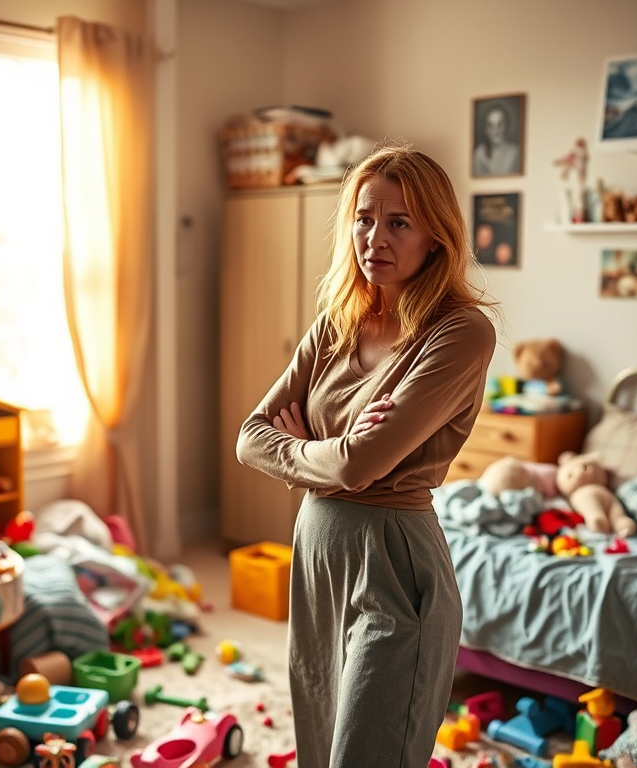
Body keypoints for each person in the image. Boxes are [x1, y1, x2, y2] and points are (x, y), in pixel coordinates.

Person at [235, 144, 497, 767]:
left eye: (399, 222)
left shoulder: (460, 331)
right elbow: (250, 436)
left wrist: (303, 447)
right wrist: (334, 448)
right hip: (316, 551)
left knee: (370, 753)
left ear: (436, 236)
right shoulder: (335, 325)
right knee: (319, 746)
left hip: (393, 561)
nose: (373, 237)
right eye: (363, 217)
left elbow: (360, 467)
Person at [473, 102, 520, 177]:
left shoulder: (515, 153)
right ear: (485, 129)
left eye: (500, 124)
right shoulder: (479, 154)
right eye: (491, 125)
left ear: (506, 125)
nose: (495, 130)